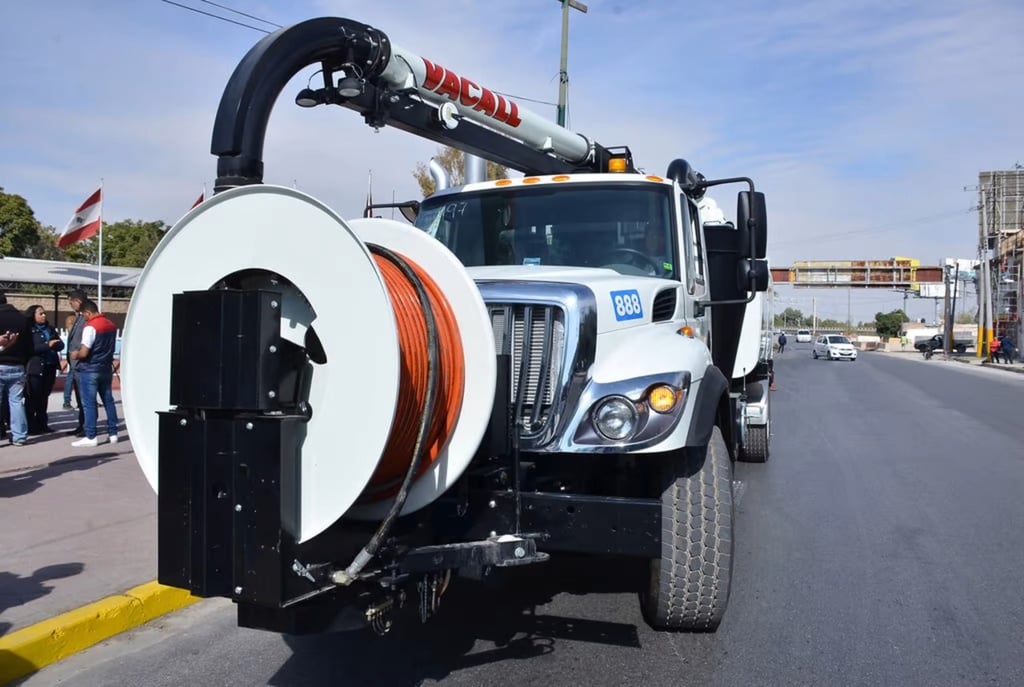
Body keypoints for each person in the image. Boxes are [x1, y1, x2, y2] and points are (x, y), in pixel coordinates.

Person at [68, 299, 119, 447]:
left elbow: (84, 352)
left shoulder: (90, 327)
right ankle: (113, 433)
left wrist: (75, 355)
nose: (84, 318)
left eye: (84, 315)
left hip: (90, 368)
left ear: (88, 312)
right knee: (108, 400)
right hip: (105, 367)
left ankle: (91, 435)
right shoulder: (111, 325)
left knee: (89, 403)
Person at [0, 292, 34, 446]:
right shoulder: (22, 319)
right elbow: (30, 345)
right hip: (18, 365)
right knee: (16, 402)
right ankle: (19, 436)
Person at [24, 305, 64, 435]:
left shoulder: (50, 328)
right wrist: (47, 345)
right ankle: (31, 425)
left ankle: (42, 423)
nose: (44, 316)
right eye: (40, 313)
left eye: (44, 313)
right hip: (35, 367)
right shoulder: (29, 330)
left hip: (49, 366)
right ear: (33, 315)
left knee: (44, 396)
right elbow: (29, 349)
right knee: (32, 397)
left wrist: (57, 344)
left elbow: (60, 343)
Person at [65, 290, 88, 437]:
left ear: (77, 301)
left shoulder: (86, 317)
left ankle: (87, 426)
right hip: (75, 364)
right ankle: (82, 424)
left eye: (71, 302)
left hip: (82, 362)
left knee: (85, 398)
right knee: (80, 397)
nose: (71, 305)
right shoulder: (78, 317)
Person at [62, 313, 77, 410]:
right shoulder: (73, 319)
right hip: (74, 353)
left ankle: (67, 401)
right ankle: (66, 401)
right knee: (72, 376)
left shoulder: (72, 319)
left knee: (72, 377)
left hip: (71, 353)